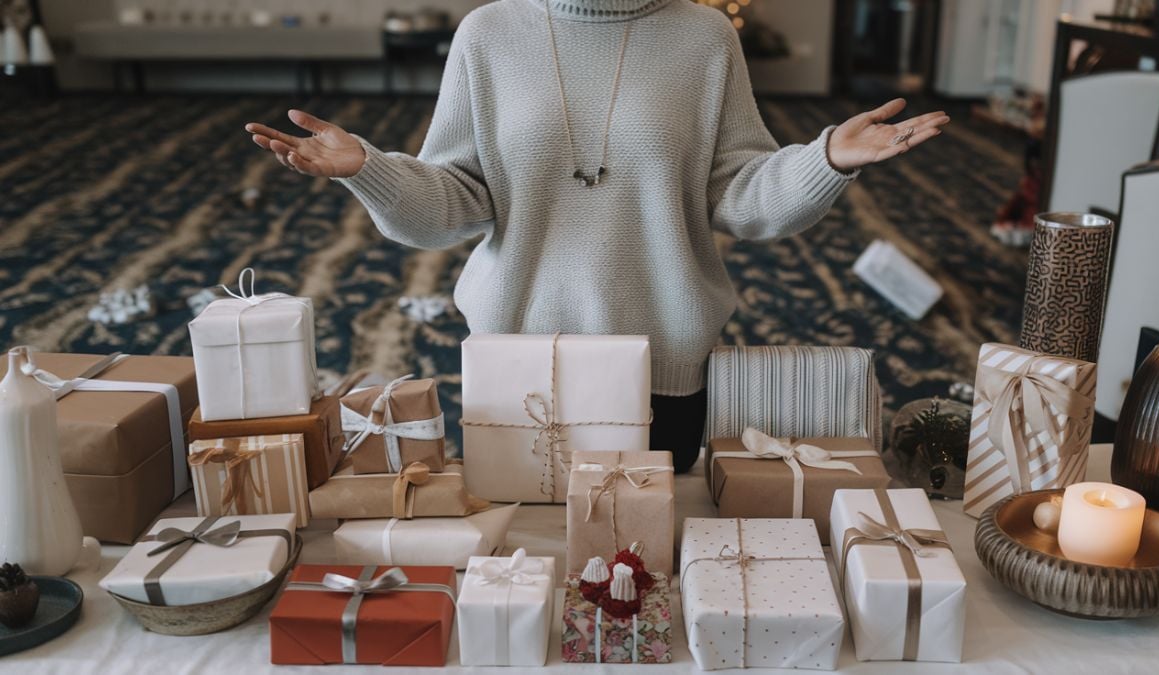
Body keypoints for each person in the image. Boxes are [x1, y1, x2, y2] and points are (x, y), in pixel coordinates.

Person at [245, 0, 949, 473]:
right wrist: (370, 170)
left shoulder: (704, 37)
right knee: (520, 547)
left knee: (640, 566)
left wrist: (822, 161)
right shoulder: (489, 34)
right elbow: (452, 202)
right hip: (519, 357)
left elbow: (740, 195)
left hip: (662, 361)